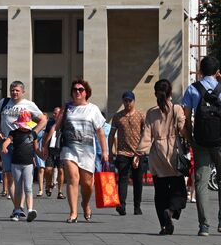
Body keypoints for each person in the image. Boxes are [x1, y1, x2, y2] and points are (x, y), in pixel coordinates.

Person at [182, 56, 221, 236]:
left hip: (200, 142)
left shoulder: (192, 89)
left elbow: (185, 118)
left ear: (200, 71)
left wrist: (190, 139)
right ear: (217, 71)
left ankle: (204, 226)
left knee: (201, 183)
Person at [43, 79, 108, 223]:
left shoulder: (93, 109)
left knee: (87, 183)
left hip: (88, 149)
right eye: (74, 90)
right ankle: (73, 212)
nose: (77, 92)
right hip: (69, 148)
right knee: (73, 178)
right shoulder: (67, 108)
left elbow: (100, 132)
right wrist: (45, 145)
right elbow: (55, 126)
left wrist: (104, 151)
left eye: (80, 89)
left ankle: (85, 204)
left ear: (86, 93)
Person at [135, 79, 188, 235]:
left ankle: (165, 226)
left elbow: (146, 136)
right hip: (173, 155)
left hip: (157, 156)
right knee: (179, 191)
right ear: (170, 93)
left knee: (160, 193)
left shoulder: (151, 112)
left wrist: (138, 154)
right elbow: (183, 130)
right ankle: (171, 212)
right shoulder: (177, 109)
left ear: (155, 94)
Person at [2, 106, 47, 222]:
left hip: (28, 164)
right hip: (16, 163)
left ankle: (30, 210)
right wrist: (4, 147)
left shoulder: (33, 134)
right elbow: (6, 141)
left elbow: (36, 148)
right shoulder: (14, 133)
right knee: (18, 188)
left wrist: (41, 155)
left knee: (28, 188)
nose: (24, 128)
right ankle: (17, 210)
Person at [108, 91, 146, 216]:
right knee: (123, 179)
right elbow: (111, 135)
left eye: (130, 101)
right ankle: (122, 206)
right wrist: (110, 152)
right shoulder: (117, 116)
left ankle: (137, 207)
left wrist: (140, 152)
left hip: (138, 153)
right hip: (122, 153)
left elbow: (146, 135)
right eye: (125, 101)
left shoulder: (141, 115)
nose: (127, 103)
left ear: (134, 101)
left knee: (138, 181)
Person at [44, 107, 65, 199]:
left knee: (60, 170)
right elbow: (45, 136)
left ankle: (60, 191)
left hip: (61, 149)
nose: (54, 114)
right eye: (53, 113)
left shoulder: (65, 124)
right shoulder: (50, 123)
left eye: (56, 113)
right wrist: (44, 147)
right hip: (50, 149)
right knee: (48, 169)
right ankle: (49, 184)